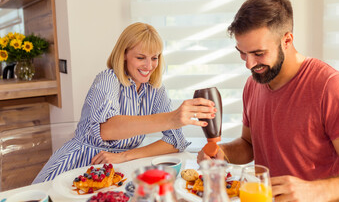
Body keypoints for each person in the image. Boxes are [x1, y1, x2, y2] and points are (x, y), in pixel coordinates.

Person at [197, 0, 339, 201]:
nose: (249, 64)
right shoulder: (254, 83)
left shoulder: (332, 88)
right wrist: (223, 152)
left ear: (287, 40)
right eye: (242, 53)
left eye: (258, 53)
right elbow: (249, 145)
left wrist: (314, 191)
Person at [33, 22, 216, 183]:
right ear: (124, 55)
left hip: (117, 168)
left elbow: (174, 142)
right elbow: (107, 129)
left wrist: (124, 156)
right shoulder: (107, 79)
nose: (149, 66)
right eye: (140, 57)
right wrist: (171, 118)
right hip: (78, 163)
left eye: (155, 57)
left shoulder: (155, 89)